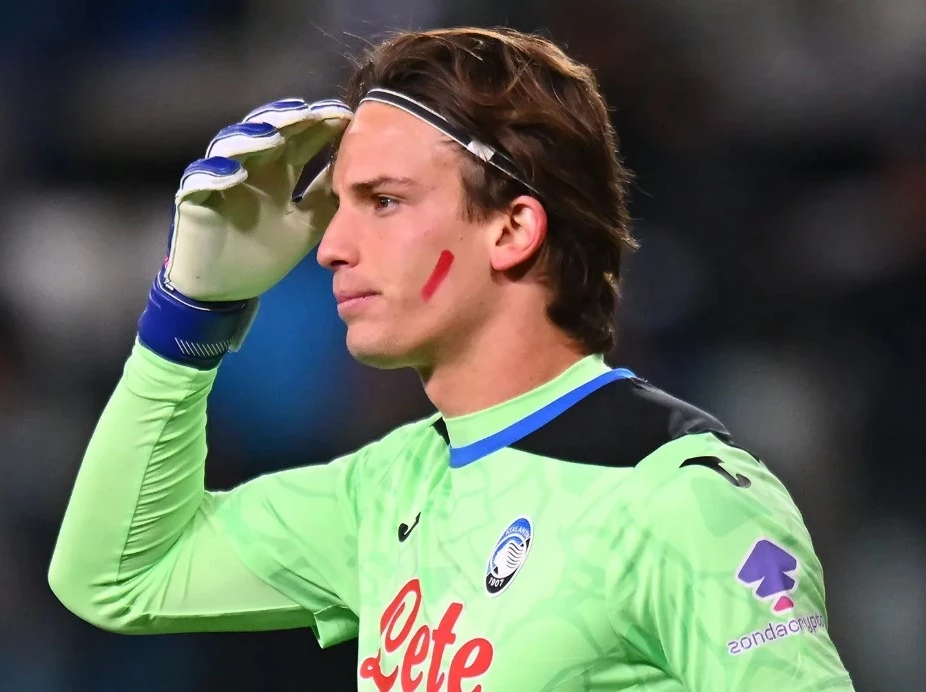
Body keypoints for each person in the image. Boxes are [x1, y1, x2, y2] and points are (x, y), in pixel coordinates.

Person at [49, 27, 855, 691]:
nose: (330, 247)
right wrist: (188, 317)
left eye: (383, 201)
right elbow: (115, 577)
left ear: (511, 229)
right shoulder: (383, 490)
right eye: (338, 207)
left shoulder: (679, 499)